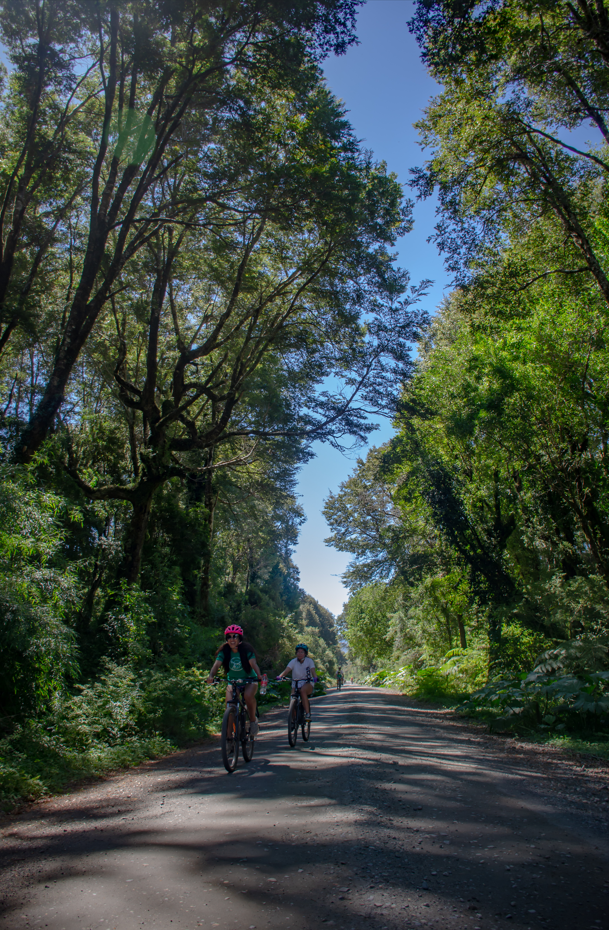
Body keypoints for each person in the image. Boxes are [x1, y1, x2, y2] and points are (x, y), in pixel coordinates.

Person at [207, 625, 262, 736]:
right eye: (229, 637)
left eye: (235, 636)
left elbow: (253, 663)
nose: (232, 639)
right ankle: (229, 737)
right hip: (233, 681)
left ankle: (253, 721)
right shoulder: (224, 651)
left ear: (239, 638)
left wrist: (259, 675)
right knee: (230, 705)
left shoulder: (246, 649)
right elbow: (216, 665)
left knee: (248, 696)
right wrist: (211, 676)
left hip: (249, 680)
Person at [277, 643, 316, 720]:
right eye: (298, 652)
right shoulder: (293, 661)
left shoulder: (309, 661)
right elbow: (286, 670)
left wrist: (315, 678)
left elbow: (313, 670)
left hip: (307, 683)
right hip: (295, 683)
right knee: (292, 697)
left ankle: (307, 714)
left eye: (302, 652)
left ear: (305, 653)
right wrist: (279, 677)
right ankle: (293, 719)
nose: (299, 654)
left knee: (303, 691)